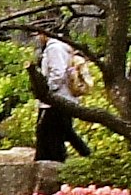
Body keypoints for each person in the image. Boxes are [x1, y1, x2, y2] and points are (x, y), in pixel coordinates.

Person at [31, 32, 96, 176]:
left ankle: (53, 170)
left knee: (47, 135)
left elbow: (58, 73)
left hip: (56, 100)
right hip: (64, 99)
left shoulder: (54, 48)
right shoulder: (63, 47)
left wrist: (47, 90)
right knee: (65, 132)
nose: (37, 38)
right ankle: (89, 157)